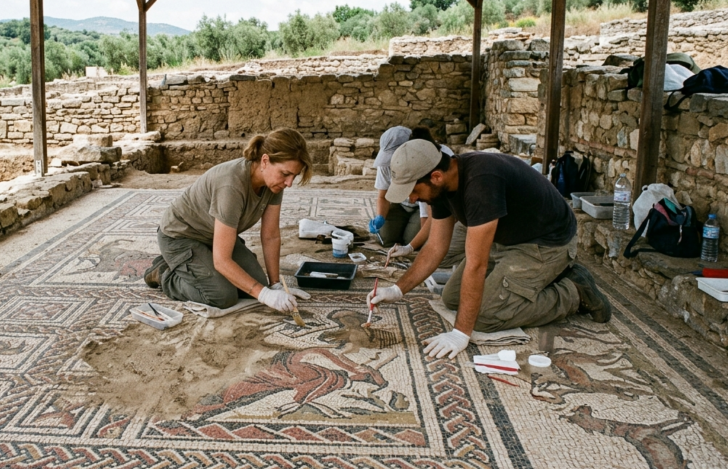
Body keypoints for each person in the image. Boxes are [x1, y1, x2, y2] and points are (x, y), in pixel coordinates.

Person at [366, 140, 612, 360]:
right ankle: (536, 281)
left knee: (484, 317)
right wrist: (397, 289)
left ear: (436, 176)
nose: (411, 199)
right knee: (452, 298)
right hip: (506, 240)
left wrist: (461, 334)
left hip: (545, 243)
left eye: (413, 191)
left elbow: (476, 263)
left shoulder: (481, 183)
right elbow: (435, 247)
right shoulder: (441, 186)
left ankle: (574, 290)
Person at [144, 128, 313, 313]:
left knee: (256, 285)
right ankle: (164, 273)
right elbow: (221, 261)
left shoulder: (273, 184)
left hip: (212, 237)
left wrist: (274, 286)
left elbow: (271, 236)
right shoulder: (231, 185)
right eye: (285, 174)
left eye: (294, 176)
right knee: (222, 295)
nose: (289, 183)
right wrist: (264, 295)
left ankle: (198, 264)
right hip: (180, 238)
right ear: (265, 161)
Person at [368, 127, 465, 267]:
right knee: (386, 237)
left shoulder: (428, 163)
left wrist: (413, 247)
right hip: (411, 204)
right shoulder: (389, 166)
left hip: (434, 206)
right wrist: (380, 217)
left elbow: (431, 213)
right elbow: (383, 196)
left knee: (418, 242)